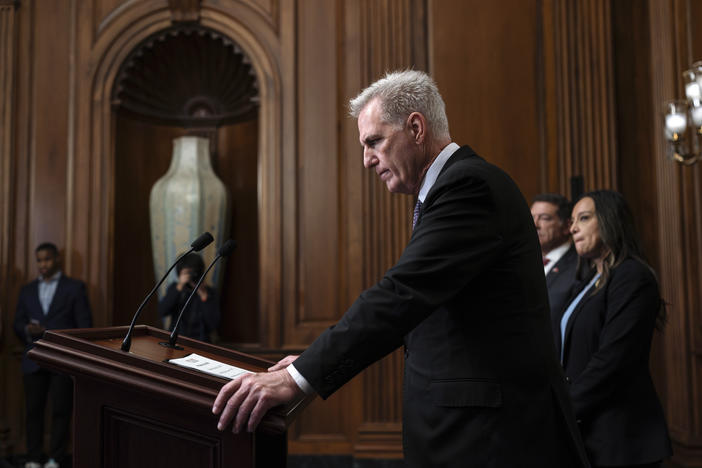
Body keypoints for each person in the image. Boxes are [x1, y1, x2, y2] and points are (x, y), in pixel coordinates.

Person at [212, 70, 589, 467]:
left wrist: (297, 378)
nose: (366, 160)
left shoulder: (469, 187)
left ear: (415, 127)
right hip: (472, 434)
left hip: (490, 439)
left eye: (374, 141)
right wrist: (310, 361)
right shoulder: (450, 189)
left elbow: (403, 293)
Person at [559, 190, 672, 467]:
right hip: (591, 432)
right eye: (573, 220)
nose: (573, 227)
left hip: (622, 436)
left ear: (610, 221)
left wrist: (564, 409)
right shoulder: (590, 281)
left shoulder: (633, 276)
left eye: (583, 218)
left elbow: (613, 359)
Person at [13, 243, 93, 468]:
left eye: (46, 259)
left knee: (61, 411)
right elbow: (17, 322)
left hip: (63, 360)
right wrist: (26, 329)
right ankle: (32, 458)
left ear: (57, 259)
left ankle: (56, 459)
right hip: (33, 359)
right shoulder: (27, 290)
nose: (42, 265)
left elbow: (85, 326)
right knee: (33, 411)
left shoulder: (75, 288)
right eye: (38, 260)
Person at [531, 193, 578, 324]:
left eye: (544, 218)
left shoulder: (580, 265)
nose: (535, 224)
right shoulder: (523, 264)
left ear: (567, 226)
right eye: (531, 218)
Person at [158, 252, 220, 343]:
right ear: (180, 273)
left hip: (201, 342)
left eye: (194, 272)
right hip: (176, 339)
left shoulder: (210, 292)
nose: (192, 276)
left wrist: (204, 297)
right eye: (187, 273)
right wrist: (179, 287)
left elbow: (213, 325)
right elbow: (162, 311)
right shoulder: (175, 288)